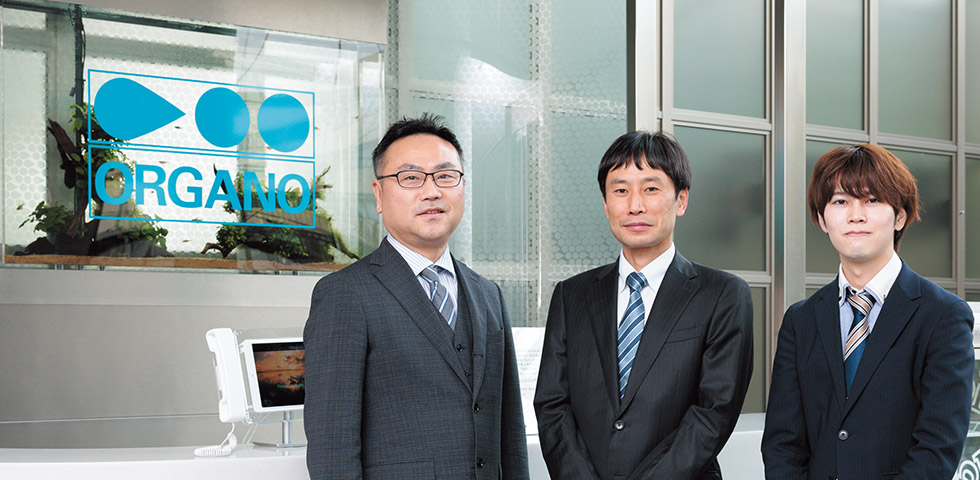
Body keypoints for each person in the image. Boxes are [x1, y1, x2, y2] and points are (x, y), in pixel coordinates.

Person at [303, 114, 529, 480]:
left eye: (445, 176)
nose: (432, 191)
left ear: (462, 187)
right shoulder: (345, 294)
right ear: (379, 194)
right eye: (411, 178)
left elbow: (510, 432)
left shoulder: (488, 294)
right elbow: (332, 446)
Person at [534, 130, 754, 479]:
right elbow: (552, 404)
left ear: (681, 200)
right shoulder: (571, 295)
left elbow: (714, 412)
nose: (634, 205)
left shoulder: (723, 295)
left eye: (651, 189)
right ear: (605, 204)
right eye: (620, 191)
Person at [762, 144, 974, 479]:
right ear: (822, 218)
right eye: (840, 201)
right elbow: (782, 443)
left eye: (872, 200)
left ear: (900, 216)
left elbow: (938, 447)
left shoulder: (942, 316)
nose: (856, 215)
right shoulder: (801, 320)